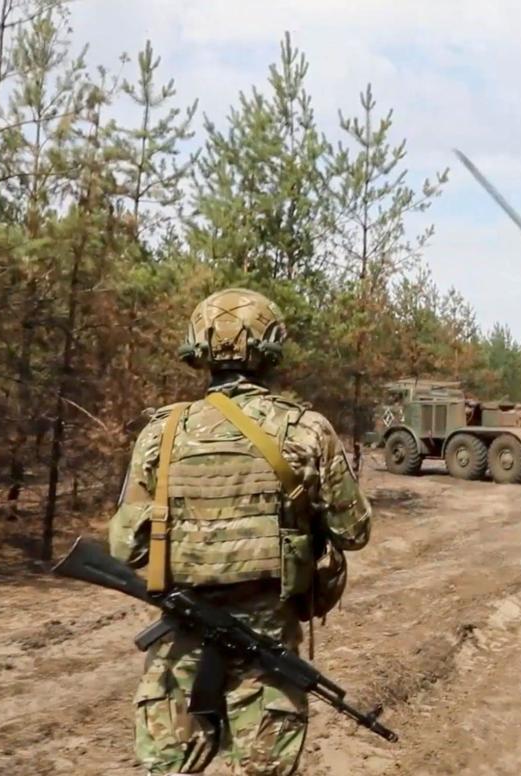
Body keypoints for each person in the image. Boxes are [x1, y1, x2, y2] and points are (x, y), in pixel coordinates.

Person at [107, 288, 372, 776]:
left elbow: (126, 544)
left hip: (180, 639)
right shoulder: (305, 430)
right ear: (271, 346)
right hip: (266, 634)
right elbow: (353, 531)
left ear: (199, 348)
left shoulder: (161, 432)